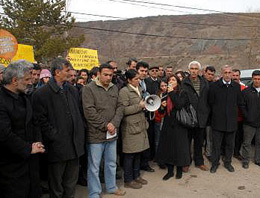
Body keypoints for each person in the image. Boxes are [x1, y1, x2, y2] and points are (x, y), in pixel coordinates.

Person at [33, 58, 85, 197]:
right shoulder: (41, 93)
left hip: (74, 147)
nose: (71, 73)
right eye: (67, 70)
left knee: (70, 184)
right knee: (56, 187)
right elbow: (40, 121)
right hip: (57, 148)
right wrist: (55, 136)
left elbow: (78, 115)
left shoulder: (73, 90)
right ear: (57, 72)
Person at [0, 60, 45, 198]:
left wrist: (37, 143)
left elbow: (34, 122)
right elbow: (4, 134)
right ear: (14, 80)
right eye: (27, 79)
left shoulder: (24, 97)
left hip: (30, 163)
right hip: (10, 165)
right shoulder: (2, 101)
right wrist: (28, 148)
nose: (31, 81)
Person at [82, 63, 125, 198]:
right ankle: (94, 193)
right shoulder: (89, 89)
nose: (108, 78)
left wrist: (114, 123)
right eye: (105, 75)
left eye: (110, 75)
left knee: (111, 162)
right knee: (94, 166)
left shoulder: (114, 88)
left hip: (112, 134)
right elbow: (89, 111)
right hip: (96, 134)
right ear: (99, 74)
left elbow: (120, 107)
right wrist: (106, 125)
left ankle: (112, 187)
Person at [209, 65, 244, 173]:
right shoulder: (214, 86)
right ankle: (215, 164)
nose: (228, 75)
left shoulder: (236, 87)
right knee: (216, 145)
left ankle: (228, 163)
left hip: (231, 122)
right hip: (217, 122)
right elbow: (210, 102)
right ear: (222, 74)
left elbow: (239, 103)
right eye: (226, 73)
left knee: (230, 145)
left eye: (230, 73)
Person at [156, 74, 190, 180]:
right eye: (169, 80)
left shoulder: (183, 93)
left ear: (178, 82)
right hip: (168, 124)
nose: (171, 81)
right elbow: (161, 111)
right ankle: (170, 171)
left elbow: (179, 105)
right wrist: (162, 106)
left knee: (179, 148)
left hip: (180, 124)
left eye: (173, 80)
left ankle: (179, 170)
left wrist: (171, 92)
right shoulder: (165, 94)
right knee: (169, 147)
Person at [119, 69, 149, 189]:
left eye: (138, 78)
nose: (138, 81)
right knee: (130, 155)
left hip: (140, 125)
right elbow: (123, 110)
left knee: (138, 152)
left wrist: (145, 107)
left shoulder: (139, 89)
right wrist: (139, 106)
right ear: (129, 80)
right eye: (136, 79)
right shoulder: (124, 92)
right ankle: (128, 179)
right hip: (130, 128)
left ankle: (136, 176)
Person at [182, 61, 210, 172]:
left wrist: (206, 111)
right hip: (189, 116)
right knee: (187, 141)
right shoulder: (184, 82)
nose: (194, 71)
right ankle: (186, 162)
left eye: (196, 69)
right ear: (189, 70)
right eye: (192, 68)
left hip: (201, 116)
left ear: (199, 70)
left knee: (199, 142)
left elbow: (208, 99)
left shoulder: (204, 82)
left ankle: (199, 162)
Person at [240, 70, 260, 169]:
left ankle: (258, 160)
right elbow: (242, 106)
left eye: (259, 79)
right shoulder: (246, 91)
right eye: (255, 79)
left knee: (258, 142)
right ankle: (245, 160)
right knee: (247, 143)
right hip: (249, 123)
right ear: (252, 79)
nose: (257, 81)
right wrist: (247, 117)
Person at [232, 69, 247, 160]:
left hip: (240, 118)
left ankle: (236, 153)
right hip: (230, 117)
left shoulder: (243, 88)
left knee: (239, 137)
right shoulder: (229, 87)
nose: (235, 77)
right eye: (233, 75)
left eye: (237, 75)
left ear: (239, 76)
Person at [203, 66, 216, 161]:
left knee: (209, 136)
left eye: (212, 74)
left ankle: (208, 153)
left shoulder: (215, 85)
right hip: (199, 114)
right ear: (205, 72)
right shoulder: (200, 83)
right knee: (198, 138)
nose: (210, 76)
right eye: (209, 74)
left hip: (210, 116)